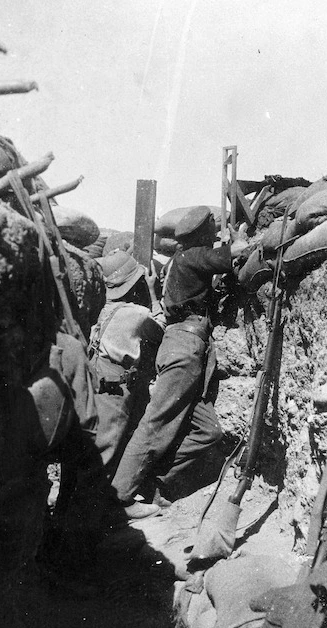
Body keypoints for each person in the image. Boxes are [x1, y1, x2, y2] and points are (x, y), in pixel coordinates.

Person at [111, 206, 250, 518]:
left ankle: (155, 481)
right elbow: (237, 251)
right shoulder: (193, 256)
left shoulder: (178, 261)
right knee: (157, 421)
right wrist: (240, 239)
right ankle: (120, 495)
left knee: (208, 431)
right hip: (185, 347)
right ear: (202, 236)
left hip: (186, 346)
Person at [90, 250, 166, 519]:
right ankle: (104, 513)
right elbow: (160, 328)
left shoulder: (104, 308)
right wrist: (154, 295)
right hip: (115, 388)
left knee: (98, 446)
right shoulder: (134, 314)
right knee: (108, 448)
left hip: (98, 383)